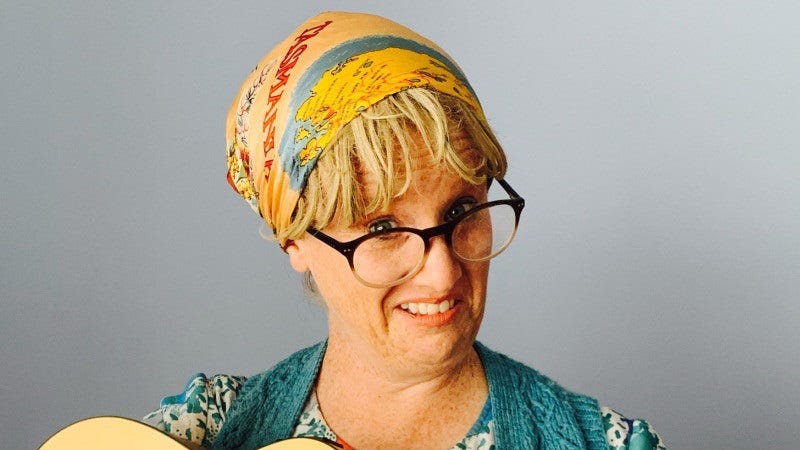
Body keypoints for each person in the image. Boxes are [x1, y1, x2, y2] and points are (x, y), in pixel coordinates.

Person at [144, 11, 665, 450]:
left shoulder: (607, 444)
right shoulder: (206, 429)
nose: (442, 274)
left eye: (462, 209)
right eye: (383, 226)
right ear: (294, 241)